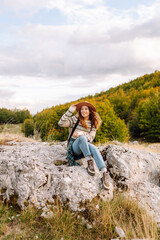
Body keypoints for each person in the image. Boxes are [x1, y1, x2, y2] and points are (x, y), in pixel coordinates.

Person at [58, 101, 110, 190]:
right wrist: (70, 111)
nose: (83, 111)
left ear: (90, 111)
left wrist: (81, 133)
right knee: (82, 138)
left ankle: (104, 173)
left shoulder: (93, 124)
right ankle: (89, 161)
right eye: (82, 109)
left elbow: (91, 138)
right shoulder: (75, 119)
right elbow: (61, 123)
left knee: (93, 146)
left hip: (85, 147)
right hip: (74, 148)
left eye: (86, 109)